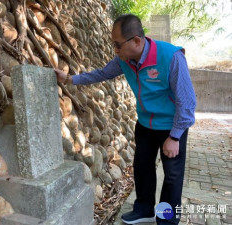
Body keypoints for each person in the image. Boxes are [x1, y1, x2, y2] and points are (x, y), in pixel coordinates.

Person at [54, 14, 196, 225]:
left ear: (136, 41)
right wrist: (69, 79)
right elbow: (101, 74)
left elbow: (187, 102)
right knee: (142, 168)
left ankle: (167, 220)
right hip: (146, 125)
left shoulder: (171, 57)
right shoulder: (125, 60)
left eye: (117, 44)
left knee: (173, 177)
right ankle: (144, 209)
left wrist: (175, 137)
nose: (115, 50)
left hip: (171, 127)